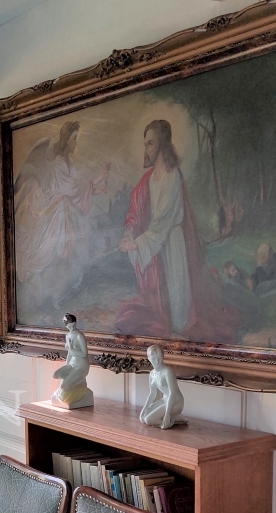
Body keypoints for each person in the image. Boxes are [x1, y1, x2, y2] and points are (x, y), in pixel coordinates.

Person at [115, 120, 238, 342]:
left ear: (162, 144)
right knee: (162, 305)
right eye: (145, 143)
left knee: (178, 304)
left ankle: (180, 330)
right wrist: (128, 235)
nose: (146, 149)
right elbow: (135, 210)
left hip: (172, 243)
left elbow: (162, 221)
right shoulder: (148, 179)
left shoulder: (172, 176)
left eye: (150, 143)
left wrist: (137, 244)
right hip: (155, 245)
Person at [14, 121, 110, 310]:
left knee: (73, 249)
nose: (76, 143)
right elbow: (72, 189)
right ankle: (47, 296)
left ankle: (63, 292)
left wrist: (99, 190)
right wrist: (100, 177)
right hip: (56, 211)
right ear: (66, 140)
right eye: (74, 138)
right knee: (54, 252)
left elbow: (79, 190)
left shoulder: (70, 163)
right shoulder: (58, 164)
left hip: (67, 209)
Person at [51, 313, 92, 407]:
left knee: (64, 386)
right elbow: (69, 354)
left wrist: (71, 348)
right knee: (56, 375)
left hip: (81, 365)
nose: (68, 325)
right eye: (66, 323)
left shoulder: (79, 336)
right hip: (73, 364)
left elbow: (84, 354)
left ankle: (79, 384)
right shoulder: (68, 335)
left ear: (74, 323)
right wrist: (67, 365)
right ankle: (77, 380)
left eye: (69, 322)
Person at [139, 345, 185, 430]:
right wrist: (145, 408)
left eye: (159, 358)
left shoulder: (167, 372)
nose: (157, 362)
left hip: (176, 402)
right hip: (165, 400)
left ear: (163, 356)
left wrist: (167, 414)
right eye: (153, 359)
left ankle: (171, 420)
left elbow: (172, 393)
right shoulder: (152, 373)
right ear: (149, 358)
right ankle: (174, 417)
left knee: (148, 420)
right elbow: (152, 393)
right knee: (142, 418)